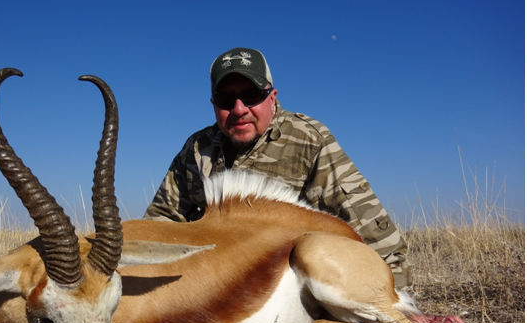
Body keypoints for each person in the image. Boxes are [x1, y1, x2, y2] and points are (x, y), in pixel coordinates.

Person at [144, 47, 412, 290]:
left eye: (251, 96)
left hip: (286, 284)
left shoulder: (309, 139)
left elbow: (369, 227)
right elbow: (159, 222)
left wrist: (398, 296)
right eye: (226, 99)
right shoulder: (196, 148)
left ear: (272, 98)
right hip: (213, 284)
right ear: (213, 104)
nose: (239, 109)